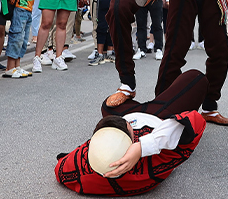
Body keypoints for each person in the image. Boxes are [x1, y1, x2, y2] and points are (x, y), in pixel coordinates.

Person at [55, 69, 208, 196]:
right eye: (131, 130)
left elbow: (60, 169)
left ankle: (139, 106)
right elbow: (195, 121)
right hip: (161, 116)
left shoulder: (82, 167)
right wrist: (143, 147)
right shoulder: (155, 162)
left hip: (129, 114)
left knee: (108, 105)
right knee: (197, 78)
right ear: (133, 140)